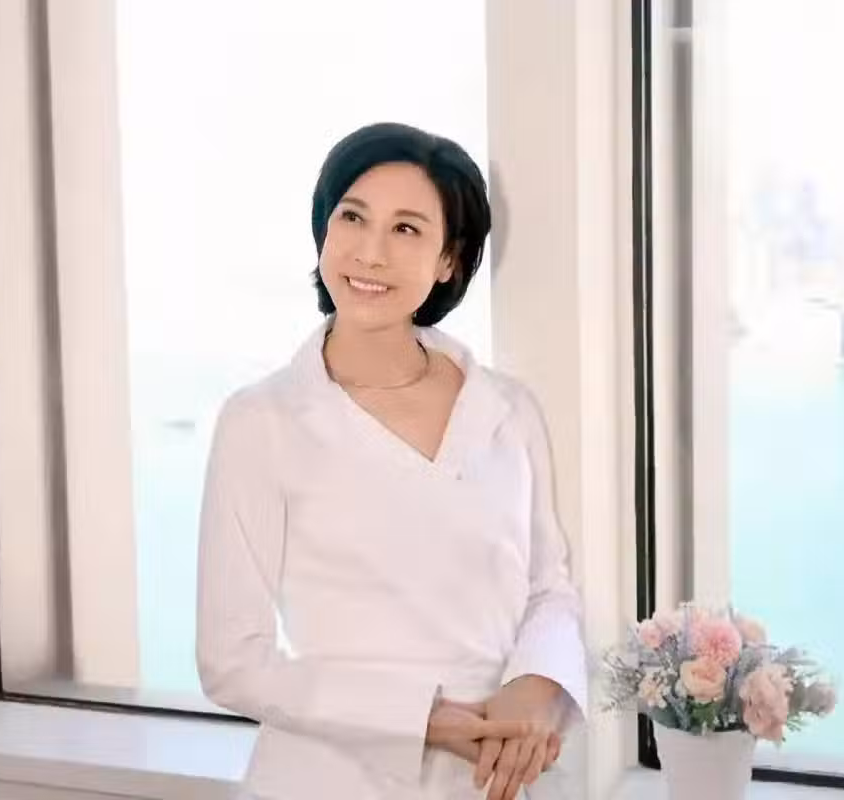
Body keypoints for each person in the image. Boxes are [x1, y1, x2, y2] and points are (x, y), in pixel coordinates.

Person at [196, 122, 588, 800]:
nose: (370, 252)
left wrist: (535, 689)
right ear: (323, 230)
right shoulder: (263, 421)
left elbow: (548, 588)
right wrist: (422, 720)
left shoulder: (506, 409)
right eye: (352, 217)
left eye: (406, 229)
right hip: (325, 780)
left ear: (448, 261)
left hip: (488, 777)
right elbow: (232, 660)